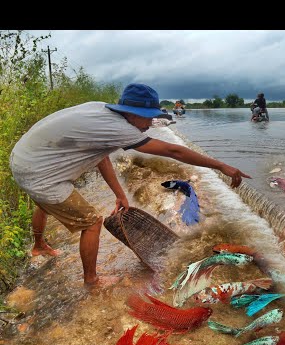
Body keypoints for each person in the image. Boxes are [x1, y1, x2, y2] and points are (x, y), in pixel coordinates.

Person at [9, 83, 251, 287]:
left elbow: (101, 155)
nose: (149, 124)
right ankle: (91, 280)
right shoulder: (120, 128)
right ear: (133, 112)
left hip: (23, 159)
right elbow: (172, 150)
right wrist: (221, 166)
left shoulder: (100, 111)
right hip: (40, 174)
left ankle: (39, 246)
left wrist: (119, 194)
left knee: (43, 203)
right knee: (92, 222)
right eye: (149, 118)